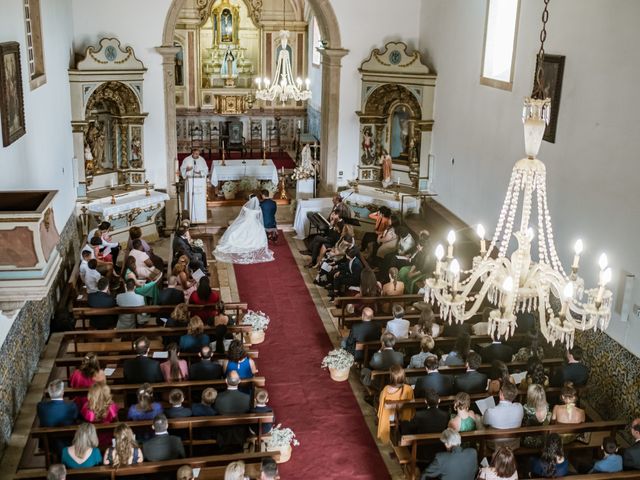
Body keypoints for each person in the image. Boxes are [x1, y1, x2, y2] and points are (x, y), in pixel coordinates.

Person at [213, 197, 274, 264]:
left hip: (246, 221)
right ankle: (252, 245)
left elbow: (242, 215)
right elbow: (259, 217)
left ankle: (241, 244)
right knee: (255, 233)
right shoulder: (258, 209)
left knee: (238, 231)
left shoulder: (246, 207)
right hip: (254, 223)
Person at [377, 365, 414, 443]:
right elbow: (411, 404)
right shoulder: (409, 389)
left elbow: (381, 403)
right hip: (403, 415)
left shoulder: (386, 389)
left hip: (390, 416)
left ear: (391, 377)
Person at [483, 382, 524, 449]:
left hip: (495, 445)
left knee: (480, 421)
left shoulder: (491, 411)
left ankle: (481, 447)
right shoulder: (519, 407)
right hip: (514, 444)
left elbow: (484, 423)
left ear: (501, 394)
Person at [181, 148, 209, 224]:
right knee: (190, 199)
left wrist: (200, 172)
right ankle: (190, 215)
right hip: (190, 181)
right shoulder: (186, 160)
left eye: (198, 154)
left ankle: (200, 216)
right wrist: (186, 169)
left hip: (199, 181)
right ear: (192, 153)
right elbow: (182, 169)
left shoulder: (202, 160)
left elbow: (206, 170)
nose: (197, 155)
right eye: (195, 154)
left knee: (199, 200)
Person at [522, 384, 551, 448]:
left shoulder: (526, 409)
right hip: (545, 441)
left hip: (529, 442)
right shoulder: (547, 407)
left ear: (530, 397)